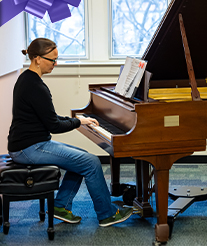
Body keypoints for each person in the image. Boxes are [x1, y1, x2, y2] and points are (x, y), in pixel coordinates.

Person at [8, 37, 133, 227]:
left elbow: (49, 118)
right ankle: (107, 214)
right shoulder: (35, 87)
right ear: (37, 59)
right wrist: (77, 122)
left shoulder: (27, 79)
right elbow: (54, 126)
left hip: (31, 143)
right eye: (52, 60)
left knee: (81, 157)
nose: (55, 64)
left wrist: (78, 120)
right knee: (90, 162)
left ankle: (60, 205)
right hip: (28, 149)